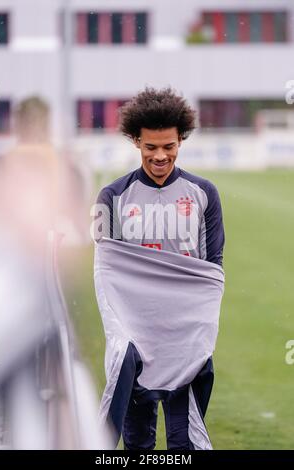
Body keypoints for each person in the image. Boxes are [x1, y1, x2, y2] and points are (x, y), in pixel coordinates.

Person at [95, 87, 225, 450]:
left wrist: (199, 328)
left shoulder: (204, 193)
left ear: (181, 139)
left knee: (184, 442)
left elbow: (212, 268)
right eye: (150, 147)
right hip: (136, 334)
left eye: (169, 146)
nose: (160, 156)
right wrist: (122, 335)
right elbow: (107, 272)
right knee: (137, 441)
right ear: (136, 141)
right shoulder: (111, 197)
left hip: (186, 334)